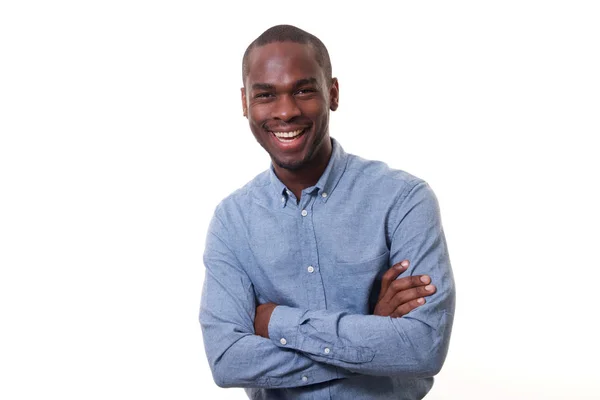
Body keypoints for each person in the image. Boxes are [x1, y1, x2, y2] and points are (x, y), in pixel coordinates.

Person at [200, 24, 455, 400]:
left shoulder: (404, 199)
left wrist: (275, 322)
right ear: (245, 104)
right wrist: (373, 335)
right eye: (266, 95)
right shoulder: (232, 221)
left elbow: (421, 347)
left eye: (303, 90)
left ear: (332, 93)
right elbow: (228, 361)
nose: (286, 111)